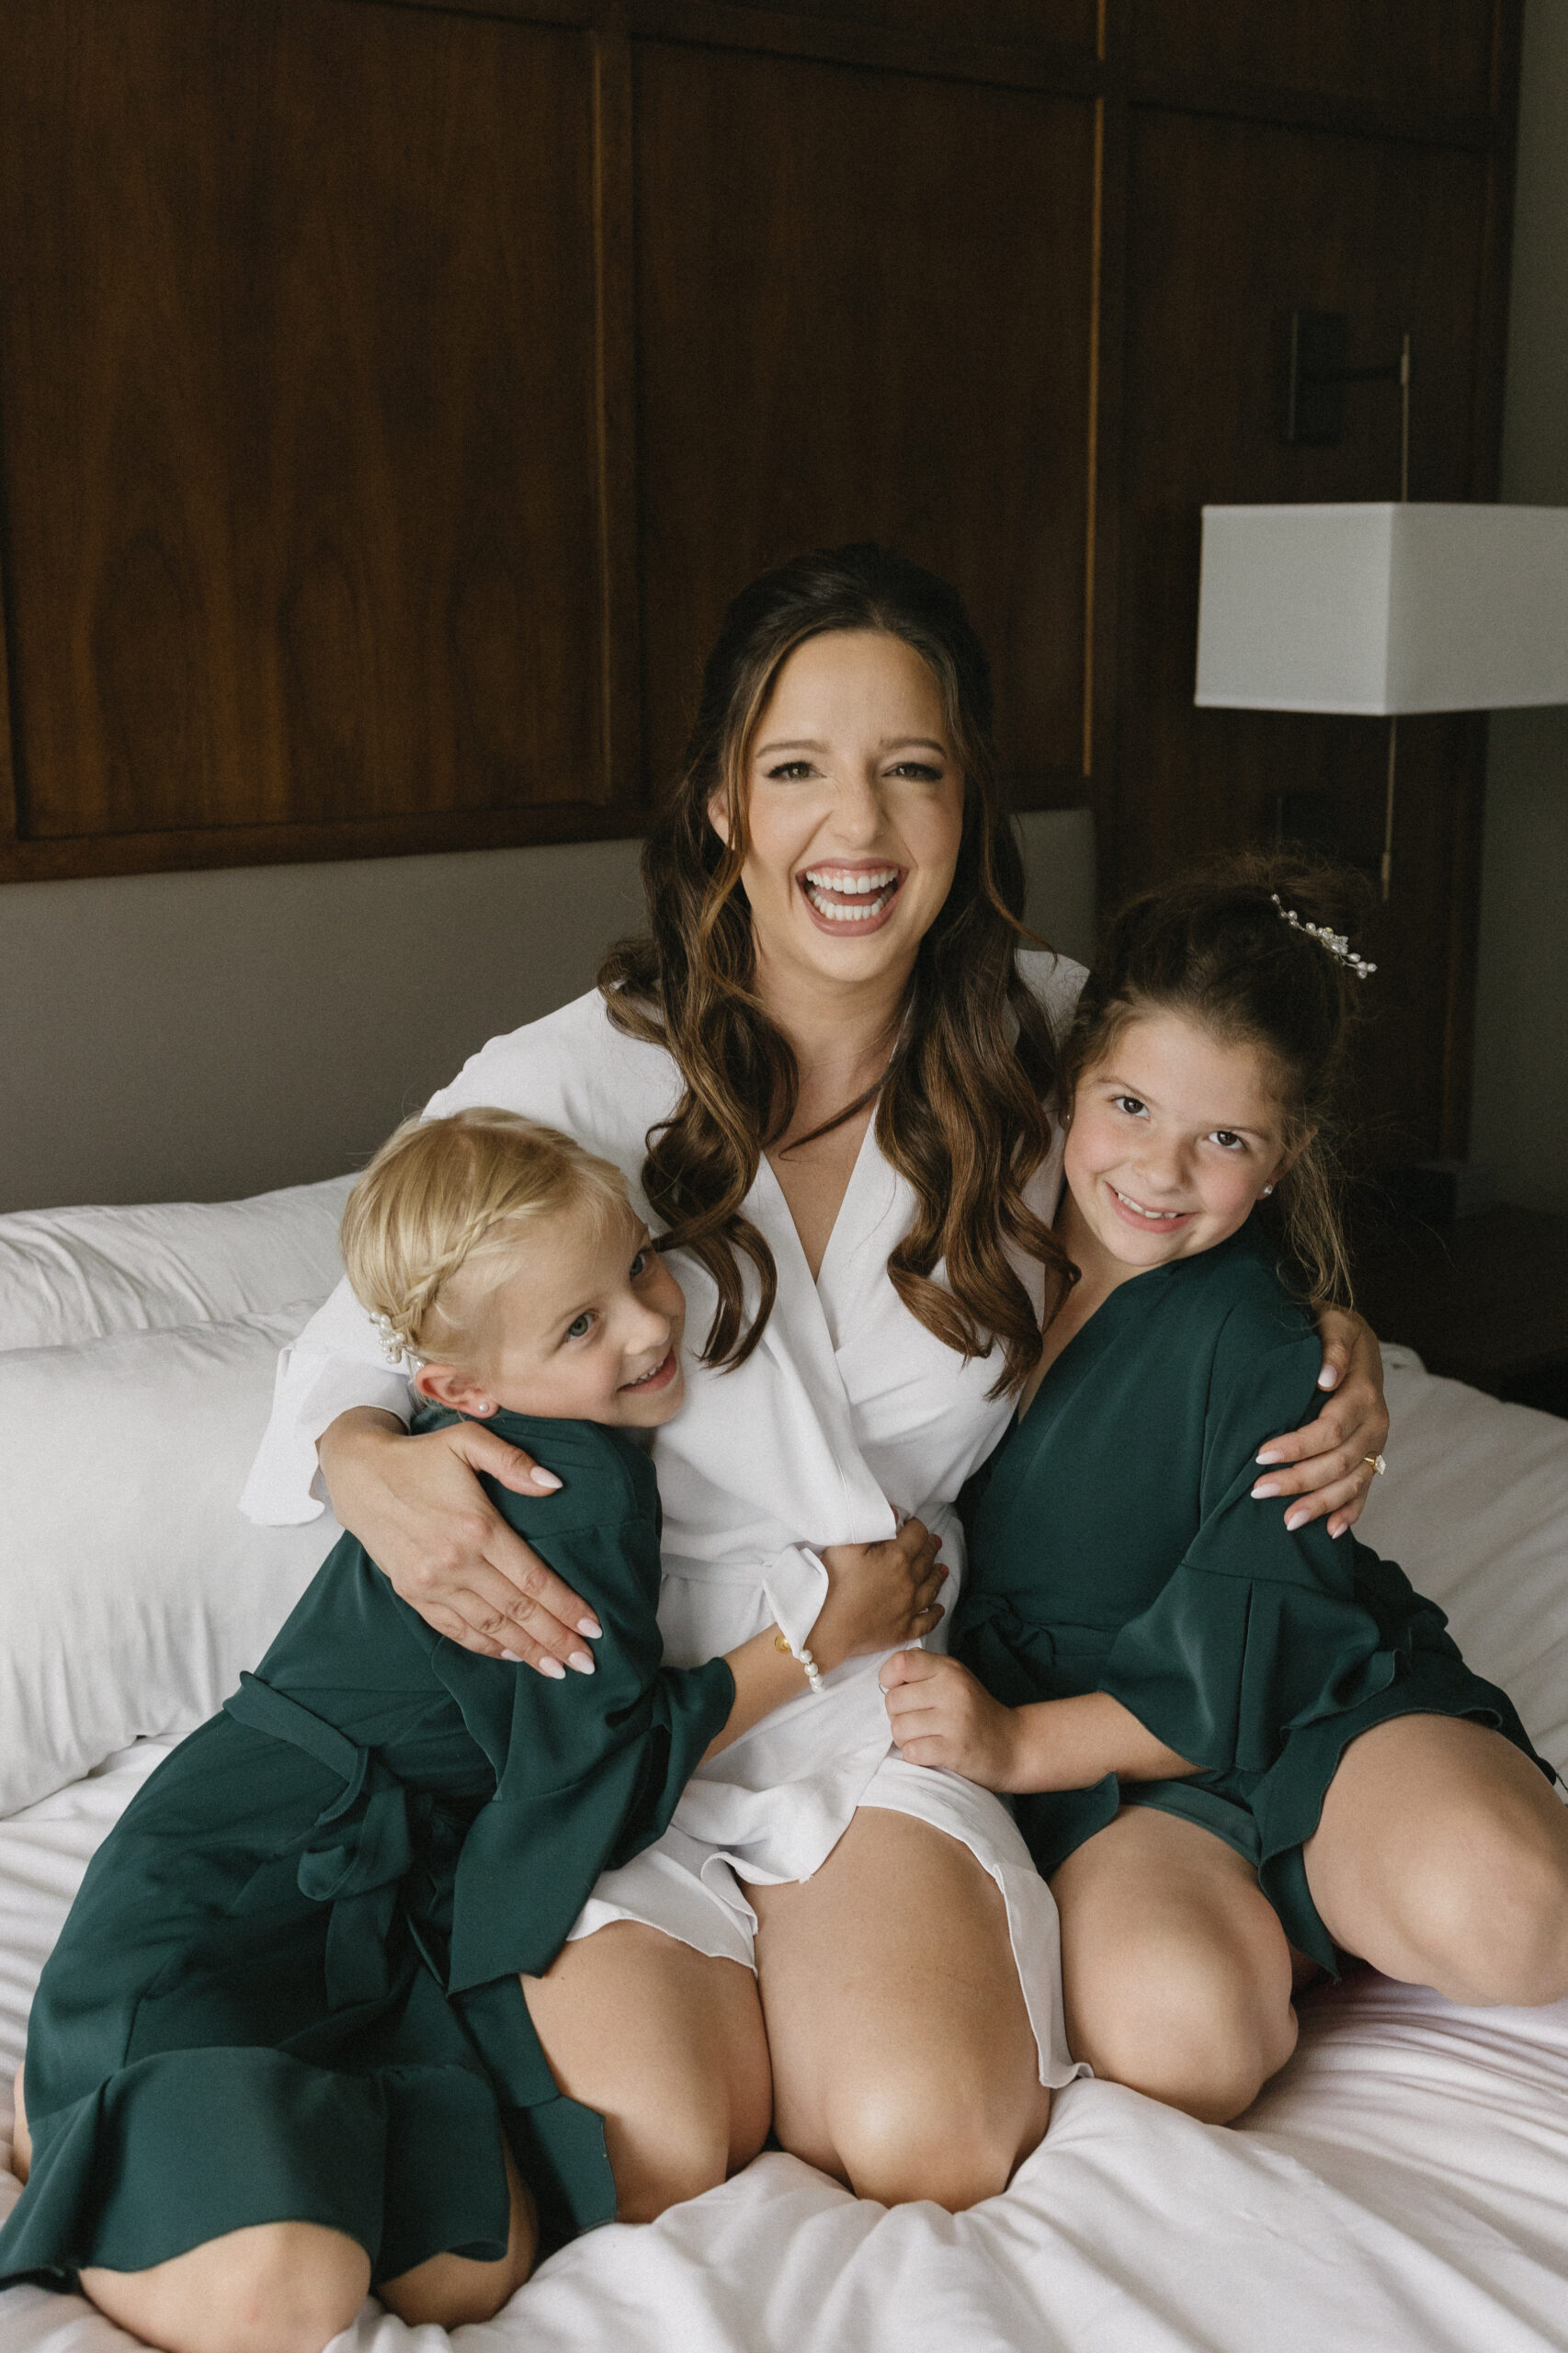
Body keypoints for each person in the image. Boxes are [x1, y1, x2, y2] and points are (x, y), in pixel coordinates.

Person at [242, 545, 1392, 2212]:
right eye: (797, 771)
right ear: (724, 802)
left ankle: (819, 1995)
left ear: (966, 802)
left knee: (930, 2136)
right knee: (647, 2145)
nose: (854, 831)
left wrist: (1341, 1344)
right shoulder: (569, 1079)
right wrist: (364, 1452)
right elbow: (338, 1361)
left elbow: (1220, 1164)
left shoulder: (1050, 1050)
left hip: (874, 1696)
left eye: (908, 772)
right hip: (616, 1706)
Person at [2, 1111, 940, 2353]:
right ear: (454, 1389)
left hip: (387, 1888)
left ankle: (118, 2128)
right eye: (581, 1324)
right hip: (245, 1872)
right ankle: (71, 2118)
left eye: (639, 1271)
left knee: (470, 2269)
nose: (652, 1326)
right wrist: (818, 1638)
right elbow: (597, 1772)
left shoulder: (570, 1445)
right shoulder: (566, 1482)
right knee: (284, 2299)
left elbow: (563, 1746)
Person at [881, 860, 1568, 2126]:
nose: (1160, 1170)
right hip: (1120, 1768)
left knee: (1522, 1921)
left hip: (1291, 1688)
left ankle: (1340, 1867)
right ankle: (1286, 1920)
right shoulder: (960, 1244)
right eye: (1130, 1106)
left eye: (1224, 1140)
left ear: (1282, 1155)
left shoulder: (1262, 1345)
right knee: (1184, 2044)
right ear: (1067, 1081)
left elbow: (1233, 1667)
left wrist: (1010, 1744)